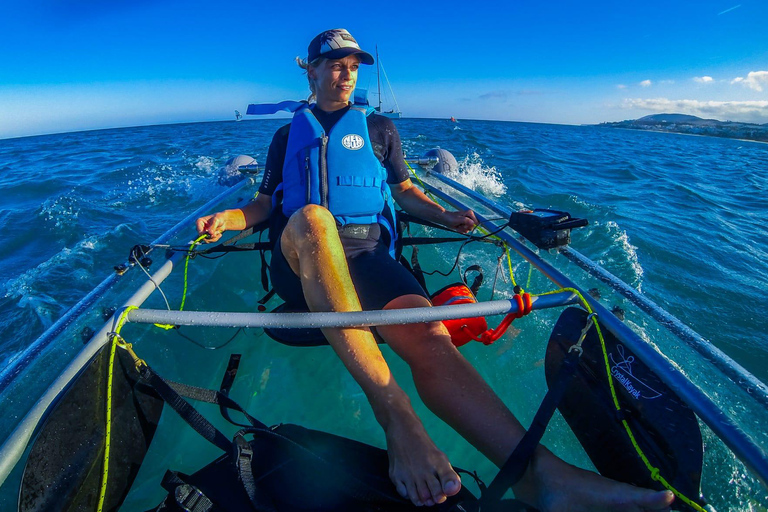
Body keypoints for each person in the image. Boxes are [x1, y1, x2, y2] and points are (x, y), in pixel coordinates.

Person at [197, 28, 675, 511]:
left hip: (366, 254)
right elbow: (261, 205)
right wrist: (227, 220)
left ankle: (541, 476)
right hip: (299, 256)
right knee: (314, 219)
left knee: (430, 334)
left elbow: (404, 191)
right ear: (313, 70)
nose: (346, 73)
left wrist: (446, 215)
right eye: (336, 63)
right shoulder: (285, 136)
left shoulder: (379, 129)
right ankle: (397, 415)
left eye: (354, 65)